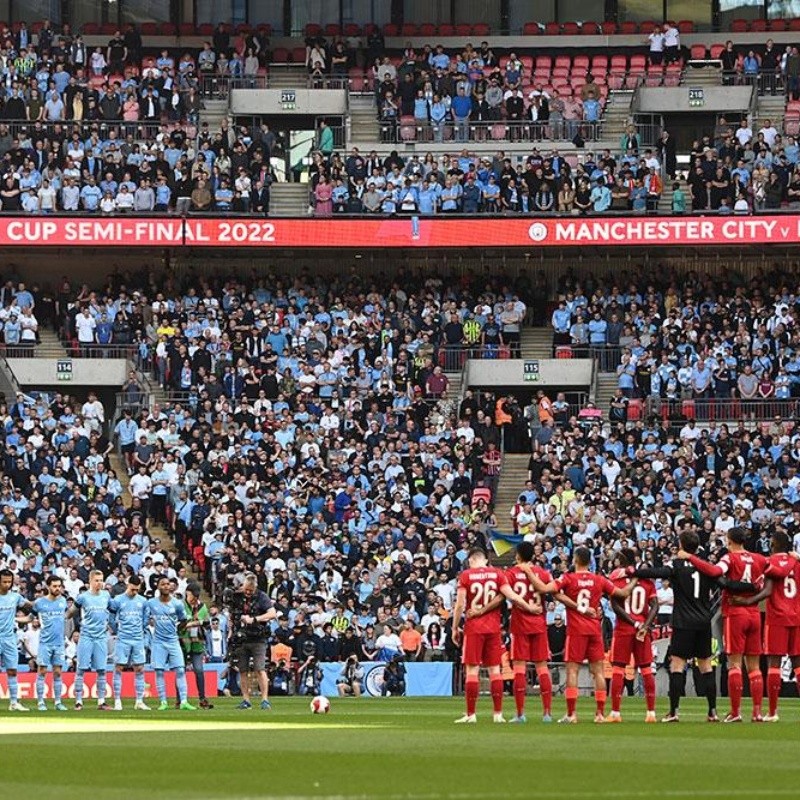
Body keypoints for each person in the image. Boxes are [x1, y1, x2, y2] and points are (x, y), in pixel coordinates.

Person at [637, 530, 748, 722]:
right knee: (705, 666)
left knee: (677, 665)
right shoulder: (706, 567)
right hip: (703, 622)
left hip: (683, 622)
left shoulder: (677, 565)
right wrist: (751, 587)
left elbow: (656, 572)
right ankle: (712, 711)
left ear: (681, 544)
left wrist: (632, 571)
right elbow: (725, 583)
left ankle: (673, 712)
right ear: (697, 547)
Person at [523, 546, 636, 724]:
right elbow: (623, 593)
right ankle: (599, 714)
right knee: (598, 672)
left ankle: (572, 714)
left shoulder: (568, 578)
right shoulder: (599, 579)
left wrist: (528, 571)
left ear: (575, 560)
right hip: (594, 630)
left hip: (576, 631)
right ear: (589, 561)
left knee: (572, 671)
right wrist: (636, 577)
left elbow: (545, 589)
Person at [680, 527, 767, 722]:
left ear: (729, 541)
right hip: (754, 613)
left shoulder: (730, 558)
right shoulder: (759, 559)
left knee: (734, 664)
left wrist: (690, 557)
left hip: (735, 613)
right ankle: (757, 712)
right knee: (754, 667)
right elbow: (770, 575)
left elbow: (714, 571)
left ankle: (735, 712)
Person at [451, 547, 539, 724]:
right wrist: (529, 607)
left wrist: (454, 627)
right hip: (493, 628)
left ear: (471, 561)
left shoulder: (466, 576)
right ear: (484, 560)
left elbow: (460, 605)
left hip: (474, 628)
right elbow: (512, 596)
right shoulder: (497, 574)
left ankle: (470, 714)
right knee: (494, 671)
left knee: (472, 670)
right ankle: (498, 714)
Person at [729, 531, 799, 721]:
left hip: (776, 616)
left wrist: (747, 601)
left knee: (773, 664)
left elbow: (766, 588)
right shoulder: (797, 562)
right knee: (798, 664)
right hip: (797, 616)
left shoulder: (770, 563)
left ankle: (772, 712)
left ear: (775, 544)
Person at [504, 542, 556, 723]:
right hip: (539, 624)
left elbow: (505, 594)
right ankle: (547, 713)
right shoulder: (542, 572)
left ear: (518, 555)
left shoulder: (511, 573)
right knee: (542, 668)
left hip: (520, 625)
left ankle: (520, 714)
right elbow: (553, 590)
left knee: (519, 668)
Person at [606, 548, 658, 723]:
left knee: (618, 669)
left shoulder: (617, 578)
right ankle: (651, 713)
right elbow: (655, 605)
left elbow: (615, 605)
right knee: (646, 669)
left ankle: (615, 713)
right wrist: (645, 625)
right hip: (642, 629)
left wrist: (633, 623)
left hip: (624, 628)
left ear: (621, 559)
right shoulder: (646, 580)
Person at [147, 575, 196, 711]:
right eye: (163, 584)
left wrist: (179, 629)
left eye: (168, 584)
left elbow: (183, 620)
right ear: (158, 587)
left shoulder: (177, 603)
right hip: (158, 642)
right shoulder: (151, 603)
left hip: (173, 641)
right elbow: (145, 618)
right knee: (159, 672)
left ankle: (184, 701)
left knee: (180, 670)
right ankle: (163, 702)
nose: (166, 586)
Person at [231, 572, 276, 710]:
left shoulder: (262, 596)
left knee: (260, 669)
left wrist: (254, 619)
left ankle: (265, 699)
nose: (248, 593)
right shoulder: (238, 596)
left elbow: (272, 613)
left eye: (250, 591)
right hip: (242, 638)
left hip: (258, 637)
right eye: (246, 590)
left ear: (255, 588)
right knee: (243, 670)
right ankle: (246, 700)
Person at [70, 569, 111, 711]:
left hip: (101, 637)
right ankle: (79, 701)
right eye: (97, 580)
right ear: (90, 581)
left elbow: (111, 609)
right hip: (86, 636)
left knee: (101, 670)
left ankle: (101, 701)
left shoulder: (106, 595)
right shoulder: (83, 597)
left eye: (101, 580)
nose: (100, 583)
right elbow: (71, 612)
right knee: (81, 669)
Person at [108, 575, 150, 711]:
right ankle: (117, 701)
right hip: (123, 638)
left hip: (138, 639)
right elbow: (112, 615)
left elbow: (145, 618)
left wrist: (141, 629)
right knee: (119, 667)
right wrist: (115, 628)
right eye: (133, 589)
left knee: (139, 668)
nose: (135, 592)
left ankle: (139, 700)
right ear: (128, 585)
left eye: (137, 590)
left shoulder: (143, 601)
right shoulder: (118, 600)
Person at [32, 575, 69, 711]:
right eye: (54, 586)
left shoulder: (63, 601)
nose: (57, 588)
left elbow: (66, 616)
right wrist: (16, 620)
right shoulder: (39, 603)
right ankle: (41, 701)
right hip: (45, 643)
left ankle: (58, 702)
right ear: (48, 587)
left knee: (58, 672)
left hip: (59, 643)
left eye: (59, 586)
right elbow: (31, 617)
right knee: (42, 671)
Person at [0, 568, 32, 711]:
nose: (7, 584)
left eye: (9, 582)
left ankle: (14, 702)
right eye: (4, 582)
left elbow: (29, 605)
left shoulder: (15, 597)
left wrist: (44, 603)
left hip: (9, 638)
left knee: (12, 670)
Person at [181, 582, 213, 709]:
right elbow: (181, 623)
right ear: (187, 593)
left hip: (197, 642)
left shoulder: (202, 607)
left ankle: (202, 698)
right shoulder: (181, 605)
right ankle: (180, 699)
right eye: (192, 595)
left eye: (196, 596)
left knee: (199, 670)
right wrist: (197, 622)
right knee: (180, 670)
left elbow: (206, 623)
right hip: (183, 641)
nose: (194, 598)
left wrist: (193, 623)